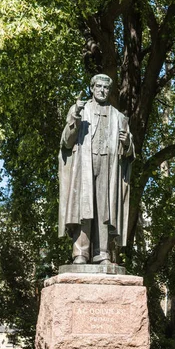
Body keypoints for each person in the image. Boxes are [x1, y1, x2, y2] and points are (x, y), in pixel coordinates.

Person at [58, 74, 134, 264]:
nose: (102, 90)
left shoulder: (118, 116)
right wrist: (74, 116)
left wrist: (127, 144)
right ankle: (81, 253)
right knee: (84, 208)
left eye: (106, 88)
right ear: (92, 88)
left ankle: (102, 253)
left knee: (104, 210)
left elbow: (129, 152)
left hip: (109, 167)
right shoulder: (80, 111)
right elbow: (66, 142)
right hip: (84, 165)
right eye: (98, 86)